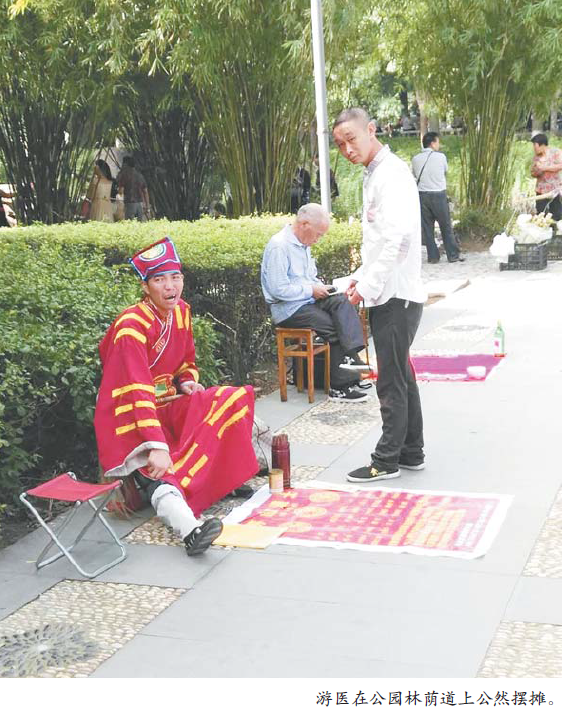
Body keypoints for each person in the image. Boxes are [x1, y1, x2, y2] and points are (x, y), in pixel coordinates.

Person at [94, 237, 259, 556]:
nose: (170, 286)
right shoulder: (131, 327)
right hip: (130, 415)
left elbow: (187, 362)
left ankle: (221, 479)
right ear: (145, 287)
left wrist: (186, 382)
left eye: (176, 277)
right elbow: (135, 390)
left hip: (166, 404)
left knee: (229, 399)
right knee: (159, 470)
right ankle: (190, 530)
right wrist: (156, 446)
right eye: (159, 280)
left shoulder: (181, 312)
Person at [332, 107, 427, 482]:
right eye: (340, 145)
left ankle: (386, 460)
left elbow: (398, 242)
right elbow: (378, 245)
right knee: (401, 374)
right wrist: (360, 278)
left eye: (351, 139)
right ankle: (411, 451)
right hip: (390, 292)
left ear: (370, 130)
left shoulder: (392, 174)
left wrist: (368, 286)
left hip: (396, 295)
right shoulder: (375, 174)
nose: (347, 150)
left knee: (390, 379)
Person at [261, 203, 369, 403]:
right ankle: (340, 387)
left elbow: (309, 277)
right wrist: (311, 290)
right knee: (333, 327)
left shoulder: (303, 245)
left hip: (308, 300)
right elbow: (278, 290)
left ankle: (353, 362)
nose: (318, 240)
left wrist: (323, 288)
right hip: (289, 308)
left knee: (341, 302)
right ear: (304, 224)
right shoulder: (279, 246)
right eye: (318, 234)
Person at [411, 132, 463, 263]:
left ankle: (433, 257)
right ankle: (453, 255)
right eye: (438, 142)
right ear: (433, 143)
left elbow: (415, 175)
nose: (439, 144)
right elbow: (445, 171)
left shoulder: (415, 159)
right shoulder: (441, 157)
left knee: (427, 228)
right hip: (438, 195)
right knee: (445, 226)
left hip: (422, 196)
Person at [530, 133, 562, 221]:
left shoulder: (556, 152)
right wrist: (536, 171)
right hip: (541, 190)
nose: (534, 149)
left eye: (535, 146)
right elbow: (533, 173)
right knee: (541, 214)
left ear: (542, 145)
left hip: (554, 189)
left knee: (557, 214)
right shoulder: (536, 157)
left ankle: (556, 229)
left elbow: (560, 165)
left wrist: (544, 168)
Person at [117, 156, 151, 221]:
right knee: (138, 225)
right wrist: (147, 207)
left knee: (130, 224)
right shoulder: (140, 175)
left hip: (130, 204)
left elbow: (120, 191)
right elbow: (145, 191)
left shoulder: (125, 175)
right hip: (140, 205)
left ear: (125, 164)